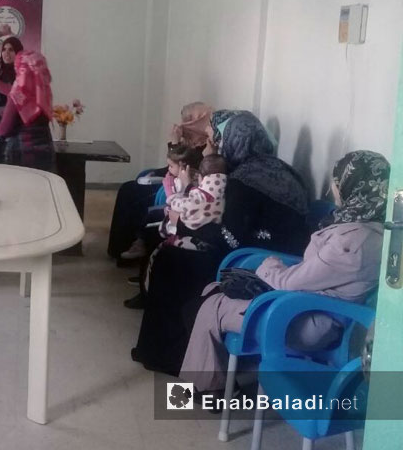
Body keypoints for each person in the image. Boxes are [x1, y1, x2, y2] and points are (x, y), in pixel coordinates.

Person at [180, 150, 388, 394]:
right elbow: (312, 274)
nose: (333, 188)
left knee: (211, 306)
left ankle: (206, 389)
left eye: (338, 181)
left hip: (305, 319)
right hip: (302, 304)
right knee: (213, 290)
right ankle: (214, 382)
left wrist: (269, 264)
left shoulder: (355, 243)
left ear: (356, 186)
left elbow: (290, 282)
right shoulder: (360, 225)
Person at [131, 110, 309, 377]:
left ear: (234, 141)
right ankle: (164, 348)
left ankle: (170, 355)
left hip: (261, 259)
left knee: (173, 261)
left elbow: (232, 236)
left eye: (218, 140)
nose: (215, 146)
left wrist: (181, 223)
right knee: (173, 252)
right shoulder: (276, 168)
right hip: (273, 252)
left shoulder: (243, 180)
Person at [108, 102, 213, 262]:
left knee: (132, 194)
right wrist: (156, 172)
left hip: (180, 190)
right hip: (171, 182)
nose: (185, 123)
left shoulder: (207, 147)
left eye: (189, 119)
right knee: (127, 188)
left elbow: (184, 167)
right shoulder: (191, 141)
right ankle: (119, 247)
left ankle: (133, 247)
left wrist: (173, 143)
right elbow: (170, 166)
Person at [0, 50, 55, 171]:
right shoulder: (44, 94)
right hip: (45, 153)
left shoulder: (17, 94)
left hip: (21, 154)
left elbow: (4, 129)